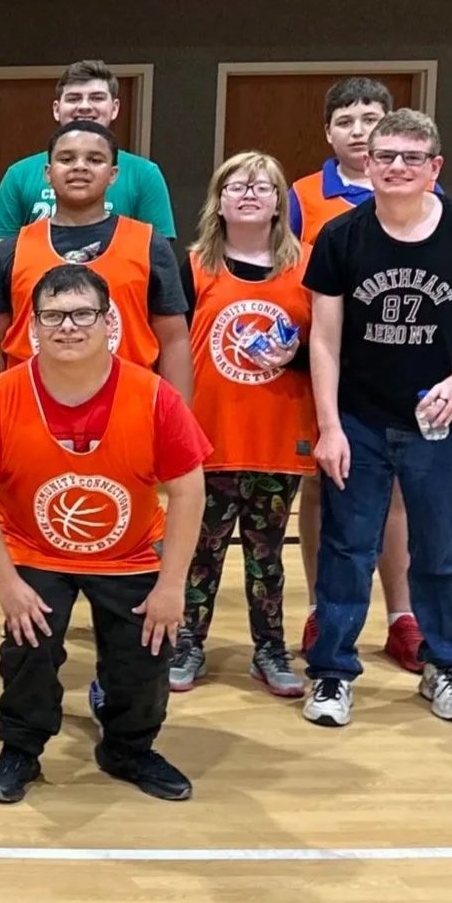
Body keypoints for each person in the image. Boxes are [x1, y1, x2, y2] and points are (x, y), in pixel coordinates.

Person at [0, 264, 211, 806]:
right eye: (53, 316)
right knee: (30, 640)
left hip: (133, 551)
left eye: (82, 314)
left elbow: (188, 491)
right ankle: (21, 746)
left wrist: (170, 585)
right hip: (33, 546)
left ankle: (128, 747)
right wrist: (6, 583)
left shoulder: (155, 396)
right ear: (33, 326)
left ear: (108, 321)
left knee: (146, 650)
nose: (68, 327)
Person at [303, 109, 452, 729]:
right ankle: (332, 673)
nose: (397, 167)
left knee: (441, 551)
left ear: (434, 168)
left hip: (442, 423)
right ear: (366, 164)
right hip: (361, 419)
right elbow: (324, 338)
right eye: (385, 156)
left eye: (411, 158)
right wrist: (330, 426)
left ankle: (445, 666)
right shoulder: (342, 236)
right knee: (347, 547)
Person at [287, 77, 426, 670]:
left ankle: (403, 617)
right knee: (320, 484)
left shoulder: (419, 188)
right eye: (346, 120)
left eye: (372, 117)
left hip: (394, 363)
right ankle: (324, 610)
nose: (359, 128)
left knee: (396, 490)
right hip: (319, 363)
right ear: (328, 131)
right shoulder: (301, 195)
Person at [173, 152, 315, 700]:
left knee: (267, 553)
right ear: (219, 200)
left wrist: (296, 351)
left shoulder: (307, 267)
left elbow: (329, 347)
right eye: (237, 186)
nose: (250, 194)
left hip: (277, 436)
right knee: (197, 552)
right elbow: (172, 349)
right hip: (207, 438)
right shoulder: (192, 267)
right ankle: (187, 643)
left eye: (263, 187)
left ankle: (269, 649)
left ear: (281, 202)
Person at [0, 121, 190, 395]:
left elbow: (174, 340)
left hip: (128, 407)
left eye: (95, 159)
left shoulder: (150, 246)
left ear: (113, 174)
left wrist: (179, 424)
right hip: (30, 410)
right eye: (66, 159)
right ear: (47, 173)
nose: (80, 166)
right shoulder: (10, 251)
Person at [0, 61, 175, 239]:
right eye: (74, 98)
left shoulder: (145, 174)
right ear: (56, 109)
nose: (85, 106)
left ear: (115, 108)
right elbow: (1, 254)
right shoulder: (19, 174)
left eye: (97, 98)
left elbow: (156, 256)